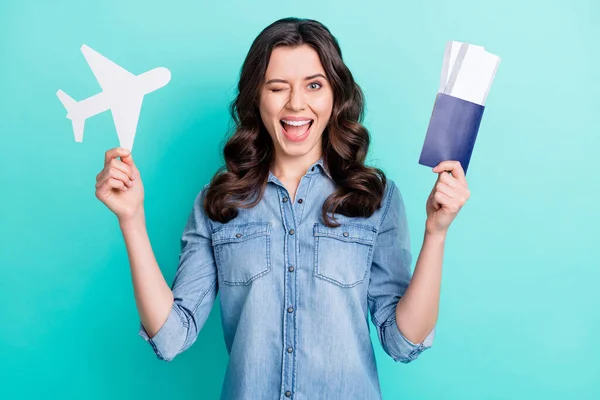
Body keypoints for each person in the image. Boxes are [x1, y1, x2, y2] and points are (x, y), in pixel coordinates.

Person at [95, 17, 470, 400]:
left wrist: (436, 232)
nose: (296, 103)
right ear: (257, 98)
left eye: (314, 85)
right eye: (277, 87)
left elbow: (402, 341)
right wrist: (131, 219)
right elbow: (172, 335)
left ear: (335, 95)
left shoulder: (376, 198)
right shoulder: (220, 201)